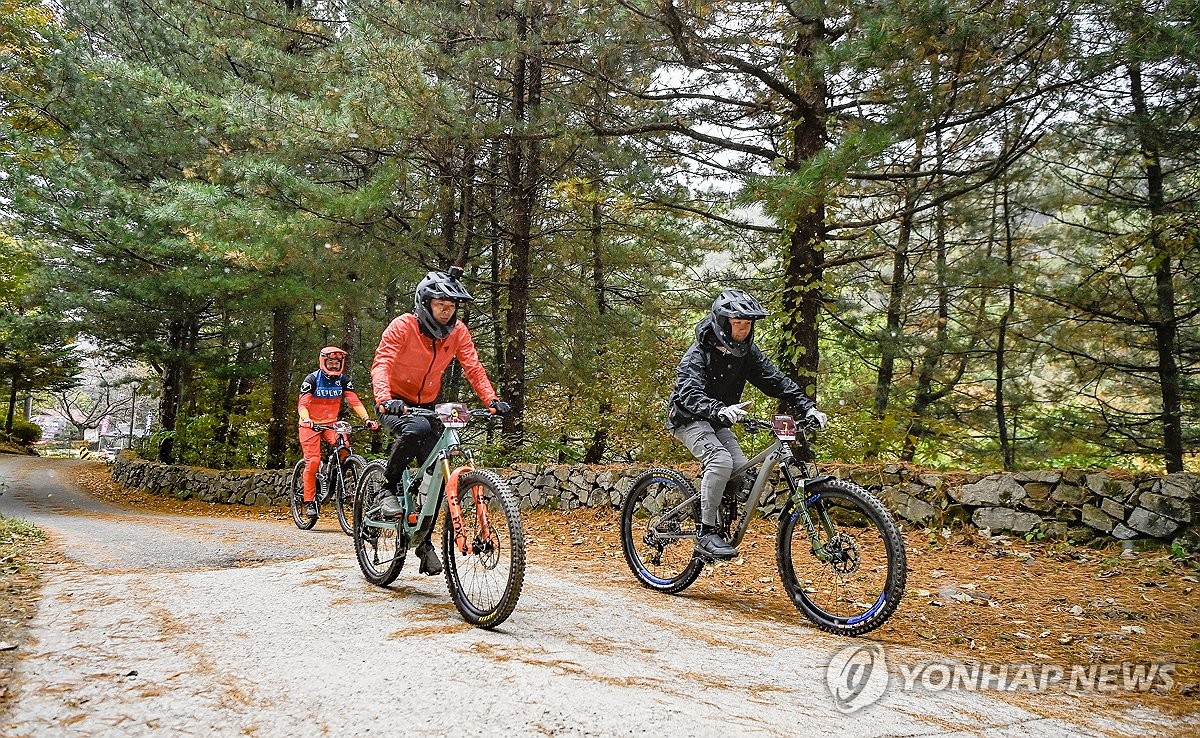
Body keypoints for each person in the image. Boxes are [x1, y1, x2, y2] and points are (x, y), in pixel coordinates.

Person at [667, 289, 828, 560]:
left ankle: (721, 519)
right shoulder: (697, 354)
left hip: (719, 418)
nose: (743, 330)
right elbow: (689, 393)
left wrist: (807, 406)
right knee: (719, 461)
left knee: (739, 468)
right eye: (738, 324)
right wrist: (718, 409)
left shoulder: (747, 353)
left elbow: (776, 381)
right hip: (688, 417)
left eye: (748, 324)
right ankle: (706, 533)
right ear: (722, 324)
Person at [370, 267, 510, 576]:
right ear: (424, 303)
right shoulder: (403, 326)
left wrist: (491, 400)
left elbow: (473, 367)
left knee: (438, 474)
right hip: (393, 401)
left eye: (451, 306)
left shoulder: (457, 332)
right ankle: (387, 487)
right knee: (416, 429)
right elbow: (382, 362)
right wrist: (384, 399)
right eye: (440, 305)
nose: (446, 312)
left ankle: (423, 543)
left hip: (428, 404)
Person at [297, 346, 379, 517]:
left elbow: (354, 401)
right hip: (310, 425)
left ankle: (336, 477)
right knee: (312, 461)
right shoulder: (312, 379)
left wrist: (367, 419)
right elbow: (303, 405)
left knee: (344, 449)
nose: (334, 365)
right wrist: (306, 419)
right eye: (331, 362)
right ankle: (309, 500)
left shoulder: (343, 380)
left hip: (331, 424)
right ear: (323, 361)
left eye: (337, 362)